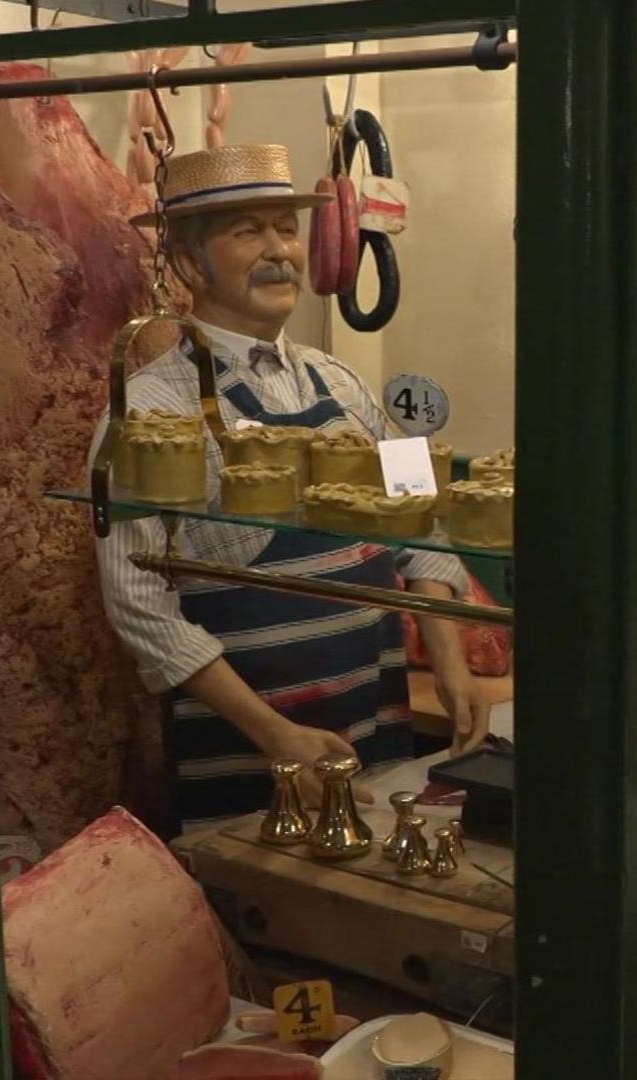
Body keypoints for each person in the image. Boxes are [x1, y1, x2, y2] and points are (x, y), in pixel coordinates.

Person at [95, 144, 486, 829]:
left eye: (285, 227)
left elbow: (421, 517)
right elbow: (141, 610)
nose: (279, 250)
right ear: (188, 263)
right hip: (252, 762)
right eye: (248, 231)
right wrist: (276, 738)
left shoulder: (345, 383)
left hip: (378, 733)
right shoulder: (149, 409)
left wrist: (451, 662)